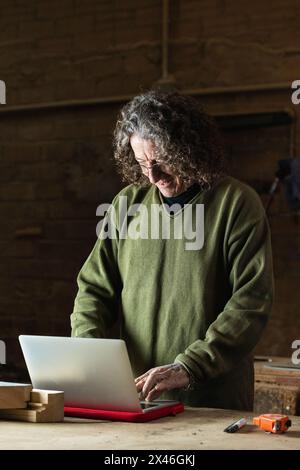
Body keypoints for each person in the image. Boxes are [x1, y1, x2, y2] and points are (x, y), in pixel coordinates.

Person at [71, 90, 274, 411]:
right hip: (138, 399)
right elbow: (94, 289)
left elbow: (251, 301)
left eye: (161, 161)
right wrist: (88, 349)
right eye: (140, 163)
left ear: (188, 150)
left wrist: (190, 366)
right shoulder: (127, 203)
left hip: (212, 401)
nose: (152, 176)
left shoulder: (237, 204)